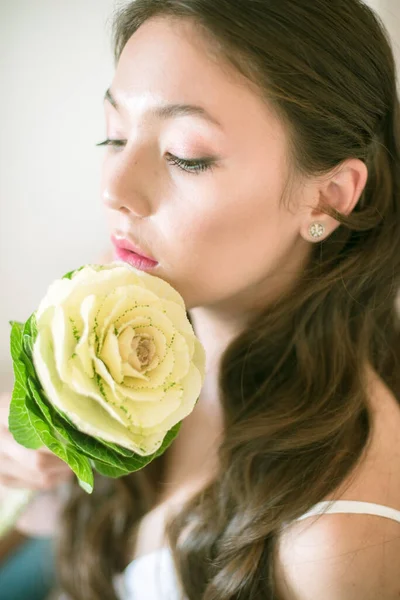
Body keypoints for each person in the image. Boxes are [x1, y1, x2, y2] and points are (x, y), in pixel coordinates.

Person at [2, 0, 400, 598]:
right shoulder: (133, 359)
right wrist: (34, 484)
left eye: (186, 155)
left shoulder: (336, 542)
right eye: (114, 135)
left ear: (327, 198)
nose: (114, 187)